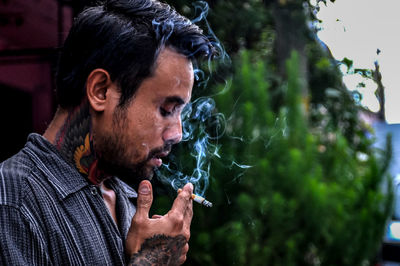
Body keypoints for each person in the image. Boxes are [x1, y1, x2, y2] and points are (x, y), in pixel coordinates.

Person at [0, 0, 214, 265]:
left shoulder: (125, 199)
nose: (177, 134)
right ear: (101, 91)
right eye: (166, 109)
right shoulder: (14, 202)